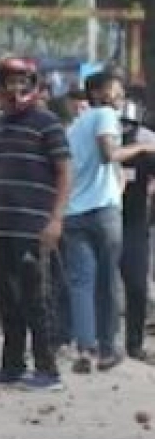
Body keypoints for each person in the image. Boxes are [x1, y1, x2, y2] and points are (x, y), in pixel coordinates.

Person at [0, 56, 70, 391]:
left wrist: (56, 219)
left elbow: (64, 172)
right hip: (1, 226)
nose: (15, 89)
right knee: (6, 300)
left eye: (21, 82)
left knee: (37, 299)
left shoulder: (48, 123)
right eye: (8, 82)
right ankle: (12, 365)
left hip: (34, 228)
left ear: (32, 85)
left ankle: (48, 370)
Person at [62, 73, 155, 373]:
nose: (120, 96)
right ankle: (106, 348)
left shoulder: (74, 127)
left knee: (81, 284)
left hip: (74, 212)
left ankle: (85, 349)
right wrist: (140, 149)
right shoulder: (104, 115)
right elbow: (109, 155)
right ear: (101, 93)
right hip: (103, 210)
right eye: (116, 90)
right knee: (106, 282)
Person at [117, 94, 155, 364]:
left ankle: (135, 343)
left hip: (135, 221)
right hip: (103, 217)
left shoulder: (148, 142)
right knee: (98, 285)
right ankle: (94, 342)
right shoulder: (102, 137)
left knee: (137, 286)